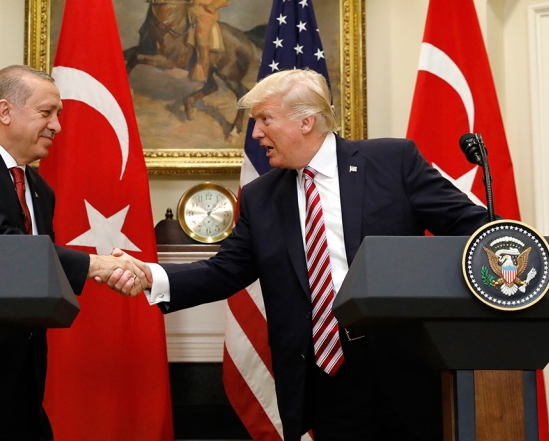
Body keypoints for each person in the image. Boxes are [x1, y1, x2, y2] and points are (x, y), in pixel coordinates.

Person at [107, 68, 491, 439]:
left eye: (265, 119)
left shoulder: (392, 162)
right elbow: (226, 270)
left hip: (403, 365)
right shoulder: (261, 196)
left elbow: (473, 228)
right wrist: (150, 275)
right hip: (325, 375)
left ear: (306, 121)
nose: (255, 133)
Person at [0, 65, 147, 439]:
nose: (57, 125)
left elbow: (39, 274)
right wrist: (96, 265)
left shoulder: (40, 189)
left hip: (24, 373)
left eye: (58, 114)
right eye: (47, 113)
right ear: (5, 111)